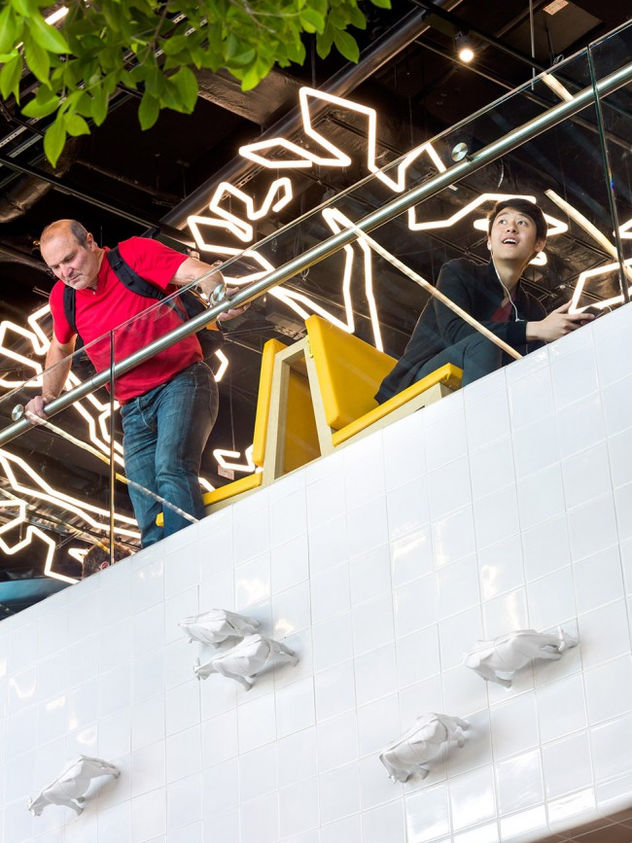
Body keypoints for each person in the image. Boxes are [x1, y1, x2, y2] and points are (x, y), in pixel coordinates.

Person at [25, 219, 246, 547]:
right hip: (132, 408)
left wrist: (217, 296)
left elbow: (199, 272)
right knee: (144, 500)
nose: (65, 272)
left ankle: (191, 559)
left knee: (171, 469)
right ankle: (163, 582)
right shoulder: (63, 297)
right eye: (55, 267)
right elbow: (60, 345)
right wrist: (46, 395)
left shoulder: (133, 255)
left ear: (90, 242)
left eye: (69, 259)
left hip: (181, 382)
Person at [376, 197, 593, 402]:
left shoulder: (531, 307)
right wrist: (536, 329)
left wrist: (559, 339)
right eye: (502, 221)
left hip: (487, 389)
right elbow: (456, 332)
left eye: (522, 223)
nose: (511, 227)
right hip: (417, 379)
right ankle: (483, 428)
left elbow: (527, 365)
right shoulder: (459, 272)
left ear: (539, 244)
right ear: (489, 241)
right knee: (485, 343)